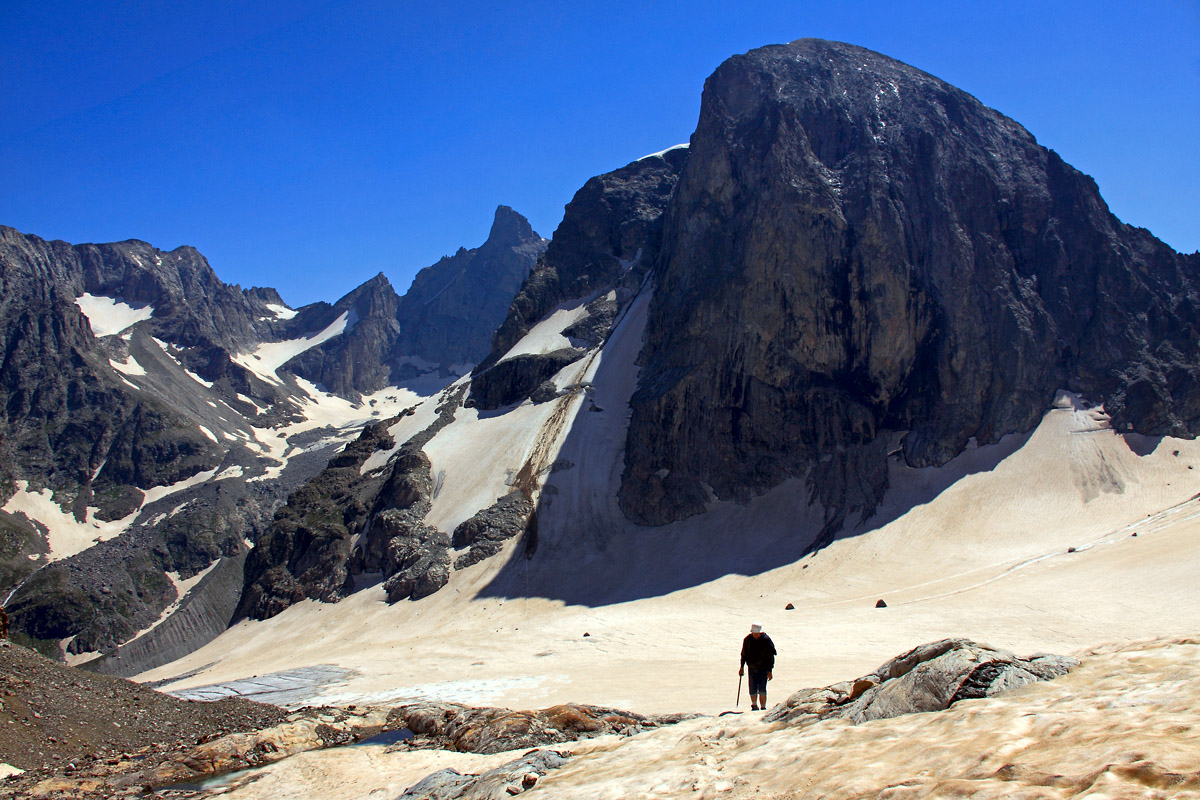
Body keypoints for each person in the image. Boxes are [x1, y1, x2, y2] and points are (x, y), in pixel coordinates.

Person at [739, 622, 776, 711]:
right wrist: (742, 667)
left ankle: (763, 707)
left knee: (762, 688)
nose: (756, 635)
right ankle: (754, 705)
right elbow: (744, 654)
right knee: (752, 687)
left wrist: (770, 671)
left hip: (764, 668)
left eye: (757, 634)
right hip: (752, 667)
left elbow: (771, 656)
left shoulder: (766, 640)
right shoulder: (747, 640)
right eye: (754, 634)